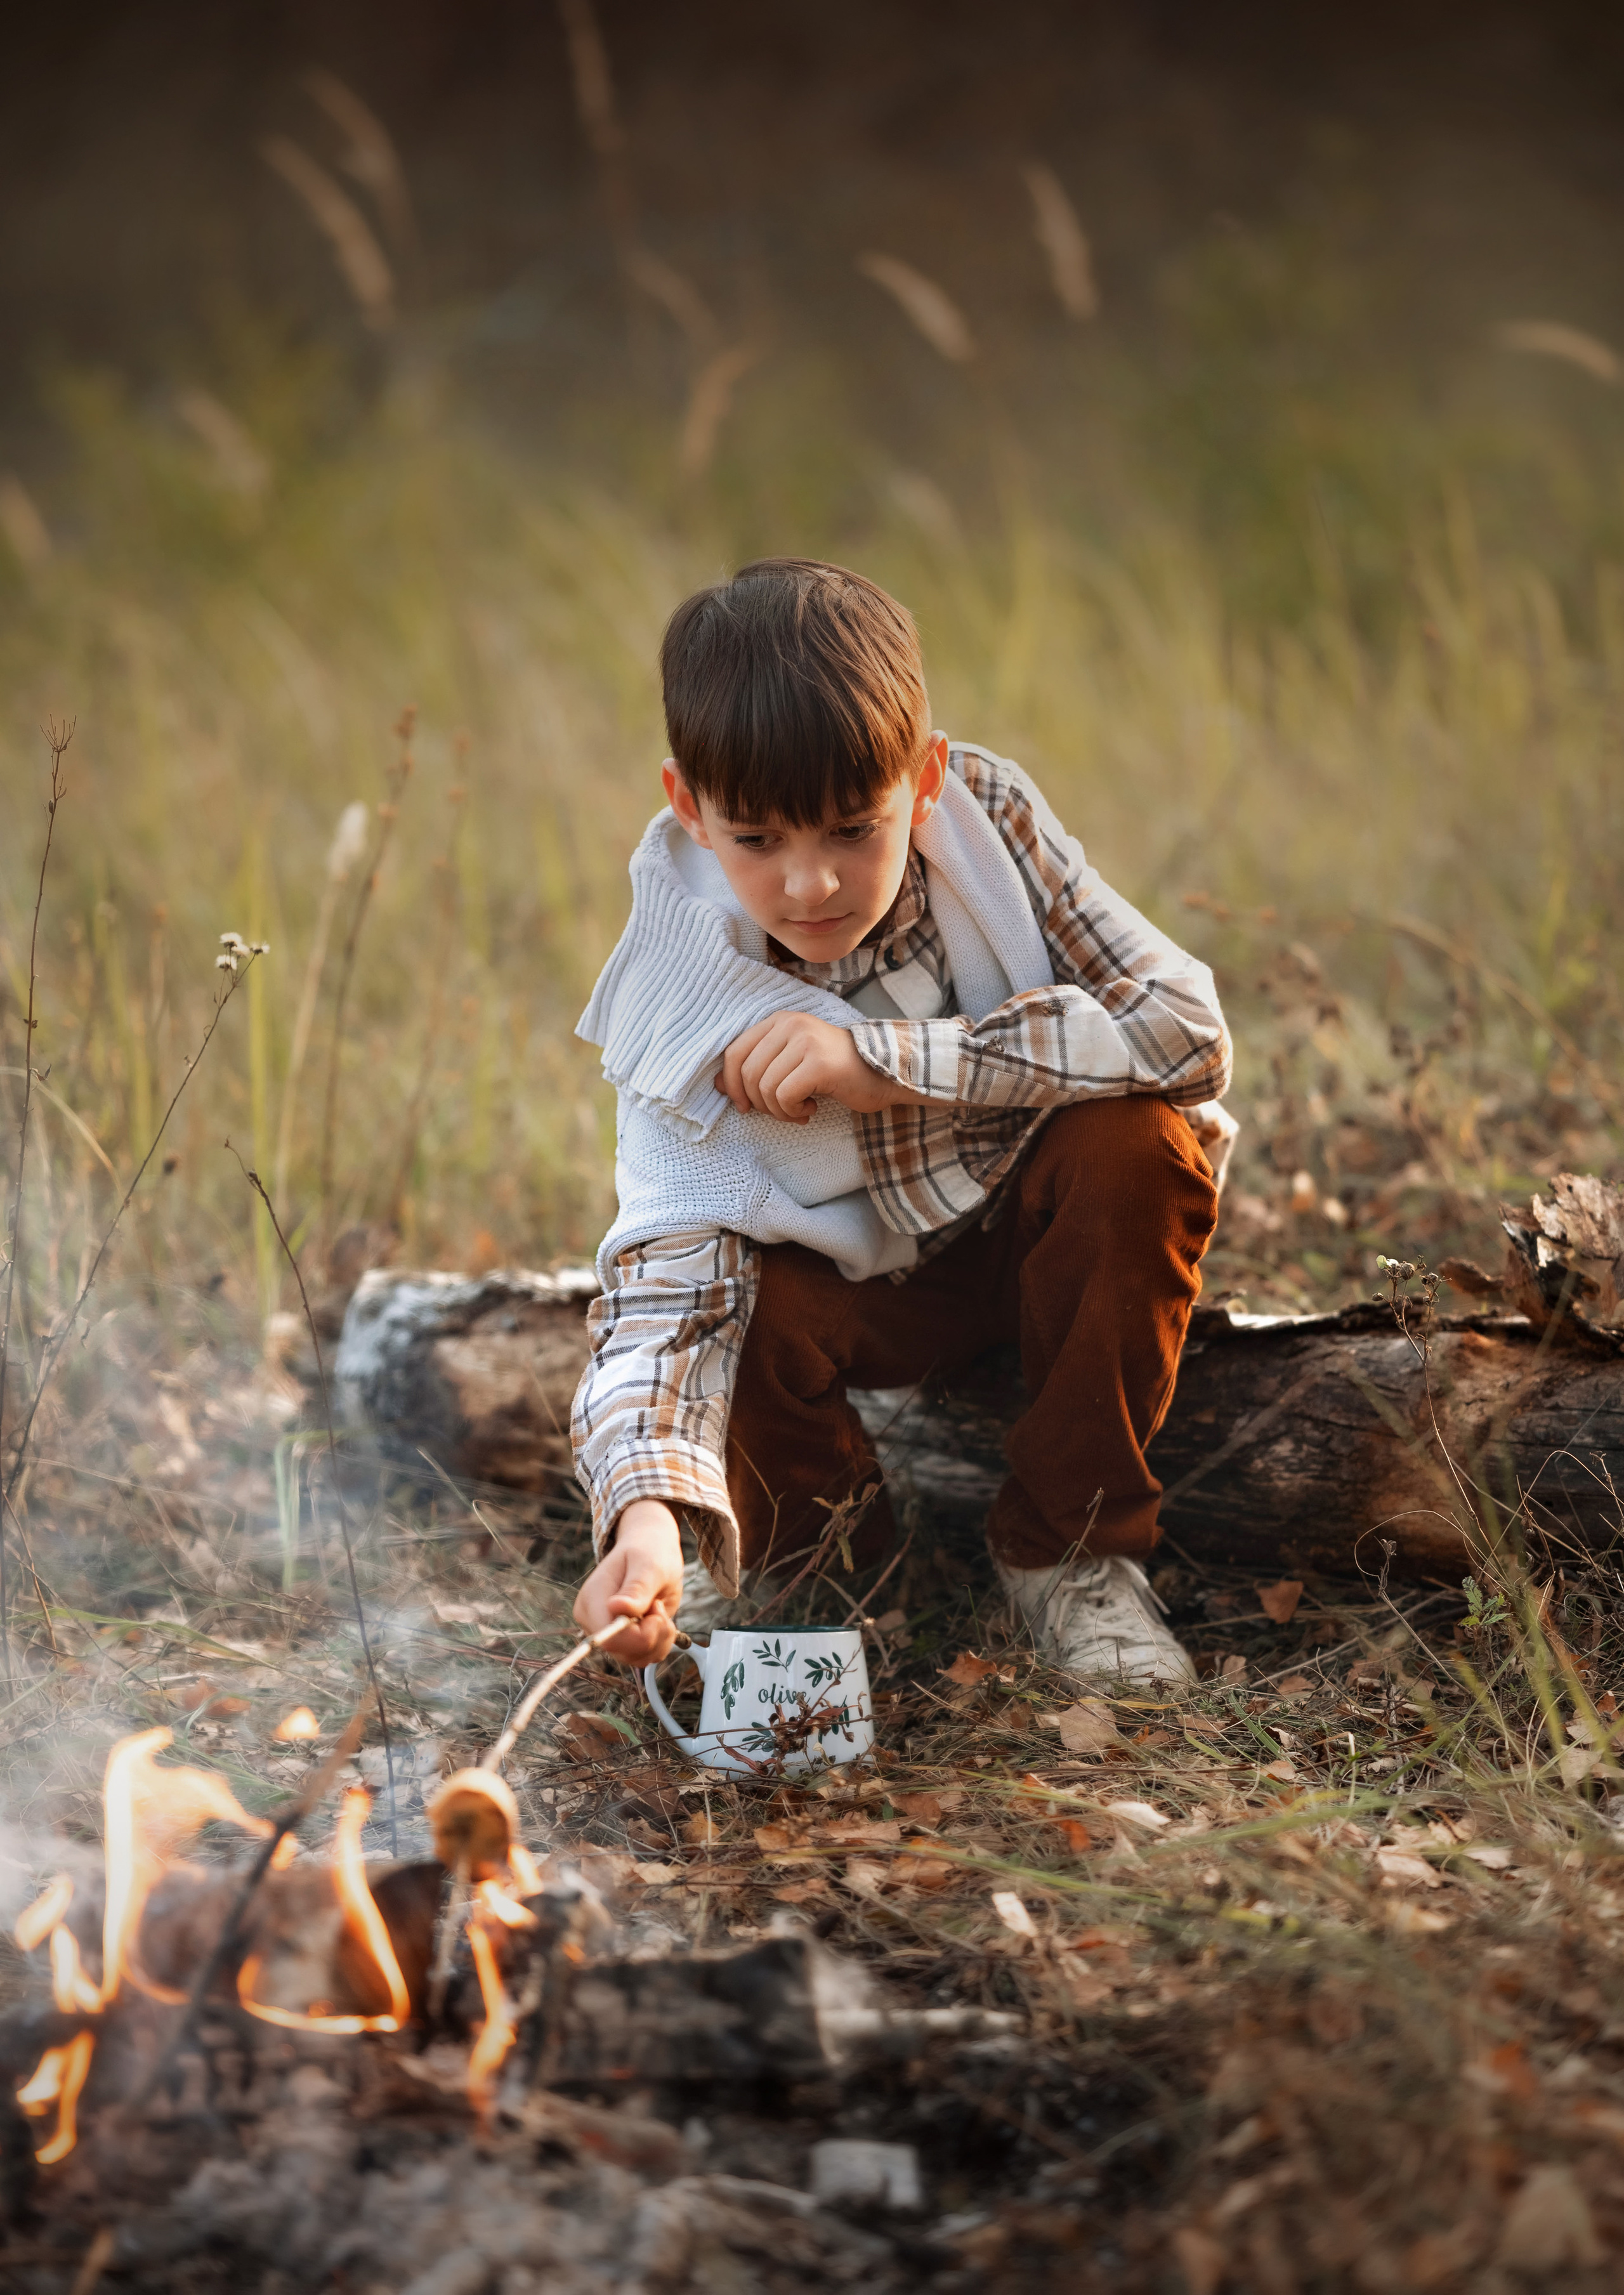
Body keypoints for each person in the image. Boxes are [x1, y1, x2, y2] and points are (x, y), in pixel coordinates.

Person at [569, 557, 1234, 1685]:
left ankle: (1069, 1553)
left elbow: (1185, 1028)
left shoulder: (988, 827)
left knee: (1138, 1148)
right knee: (748, 1313)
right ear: (689, 806)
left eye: (850, 830)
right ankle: (835, 1590)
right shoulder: (681, 980)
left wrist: (891, 1063)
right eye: (760, 840)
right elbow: (665, 1282)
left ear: (920, 782)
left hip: (1030, 1234)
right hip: (855, 1294)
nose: (812, 884)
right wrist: (643, 1521)